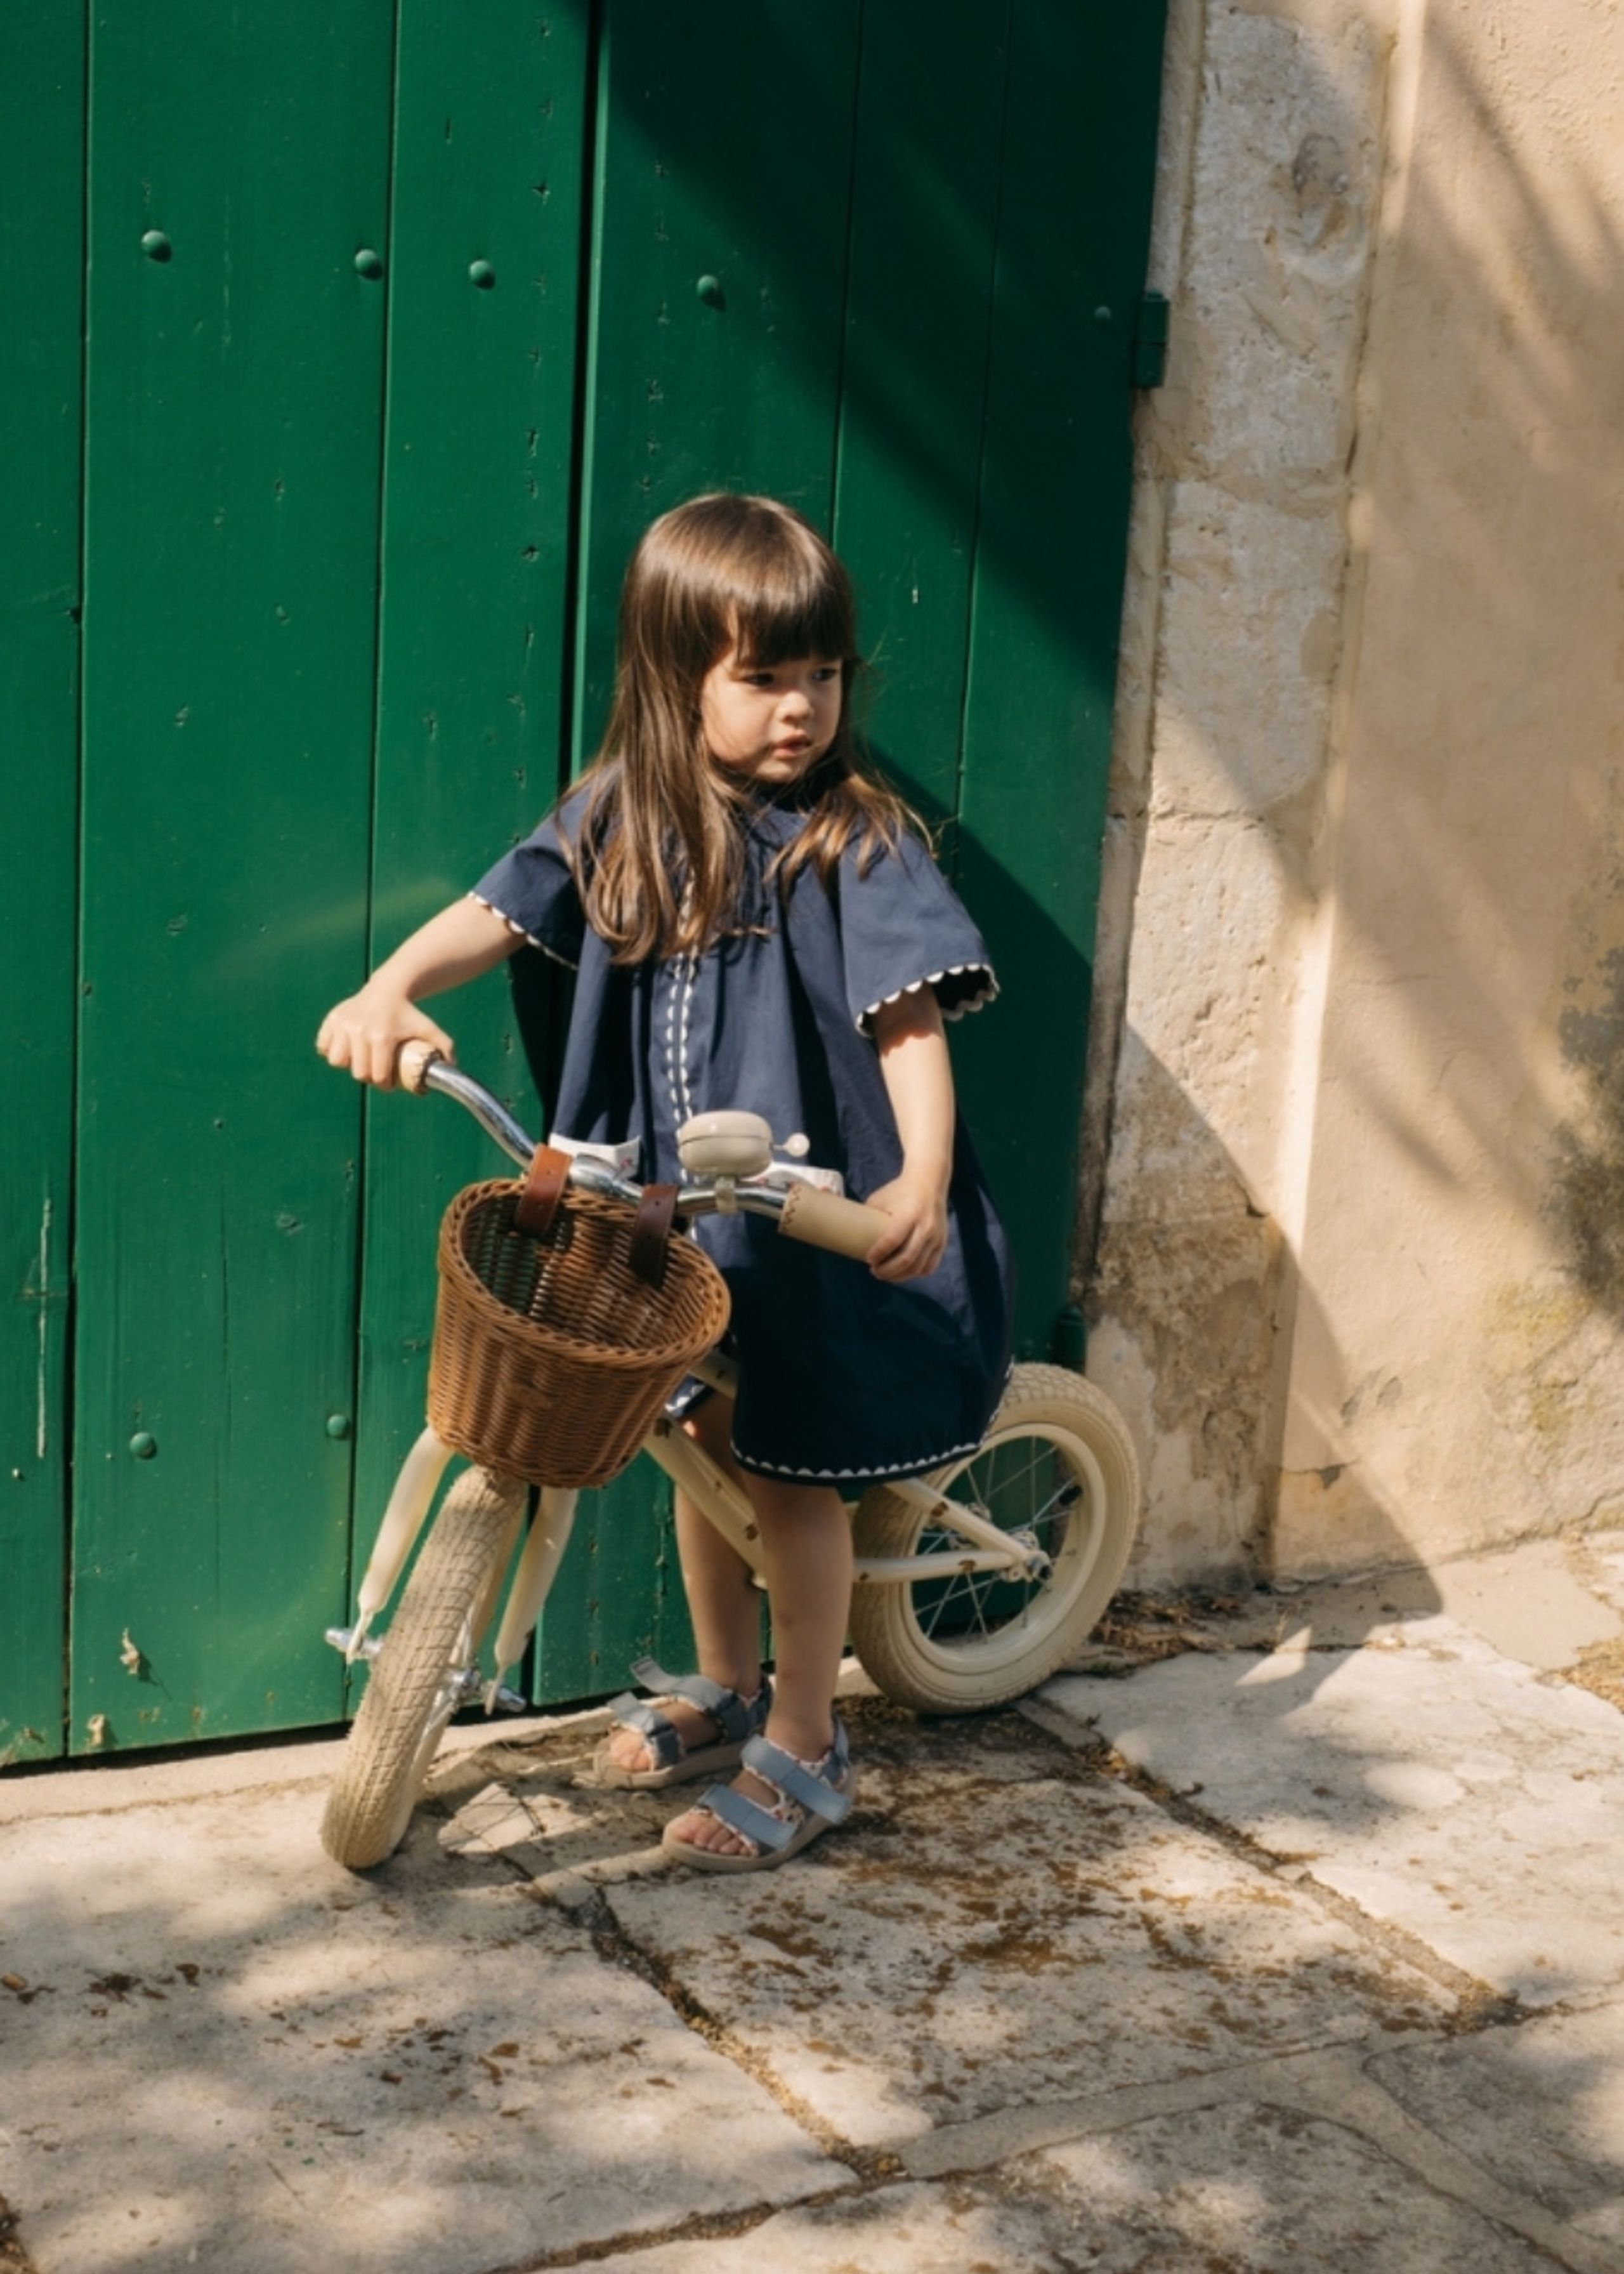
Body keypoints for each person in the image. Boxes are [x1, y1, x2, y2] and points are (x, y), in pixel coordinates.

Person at [317, 492, 1011, 1871]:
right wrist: (391, 982)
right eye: (761, 679)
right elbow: (499, 907)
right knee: (693, 1442)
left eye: (819, 675)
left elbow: (908, 1022)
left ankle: (809, 1737)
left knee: (790, 1477)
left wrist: (922, 1170)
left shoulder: (851, 838)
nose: (799, 708)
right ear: (672, 675)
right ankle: (726, 1679)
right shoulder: (626, 812)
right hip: (662, 1214)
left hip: (811, 1219)